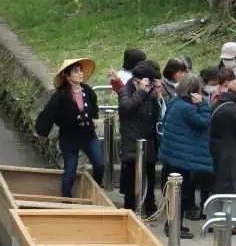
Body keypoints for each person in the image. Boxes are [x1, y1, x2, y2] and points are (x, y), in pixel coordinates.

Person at [35, 57, 104, 198]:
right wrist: (42, 132)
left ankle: (94, 190)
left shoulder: (88, 91)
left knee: (100, 164)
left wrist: (94, 118)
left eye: (81, 71)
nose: (80, 74)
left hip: (88, 136)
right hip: (69, 138)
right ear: (67, 76)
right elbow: (48, 114)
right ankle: (66, 199)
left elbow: (94, 108)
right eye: (76, 71)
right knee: (70, 171)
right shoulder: (60, 96)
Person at [158, 74, 214, 238]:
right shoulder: (188, 108)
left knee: (176, 194)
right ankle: (174, 226)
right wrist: (203, 105)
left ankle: (174, 224)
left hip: (173, 155)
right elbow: (204, 122)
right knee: (182, 195)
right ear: (194, 90)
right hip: (182, 159)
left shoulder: (175, 102)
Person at [118, 60, 161, 214]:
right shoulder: (126, 90)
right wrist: (141, 92)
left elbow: (157, 112)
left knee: (149, 173)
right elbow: (126, 108)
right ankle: (130, 206)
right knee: (131, 175)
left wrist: (158, 95)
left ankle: (149, 204)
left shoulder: (151, 91)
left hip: (148, 139)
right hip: (132, 140)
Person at [208, 79, 236, 234]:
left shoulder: (218, 104)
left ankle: (214, 220)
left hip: (217, 149)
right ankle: (228, 224)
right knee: (231, 187)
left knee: (219, 186)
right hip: (231, 152)